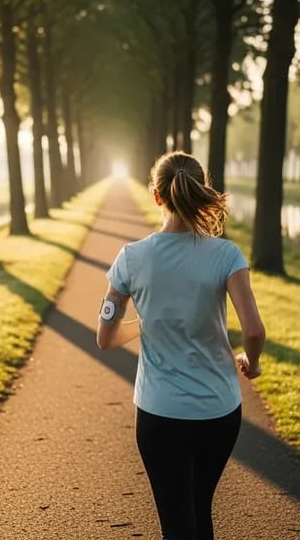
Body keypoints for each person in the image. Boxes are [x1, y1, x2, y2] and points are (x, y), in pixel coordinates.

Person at [96, 150, 267, 540]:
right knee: (199, 508)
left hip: (160, 414)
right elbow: (254, 332)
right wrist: (251, 363)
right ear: (199, 190)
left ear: (157, 196)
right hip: (219, 411)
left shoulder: (131, 258)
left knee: (176, 520)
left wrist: (148, 319)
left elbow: (105, 337)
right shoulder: (227, 254)